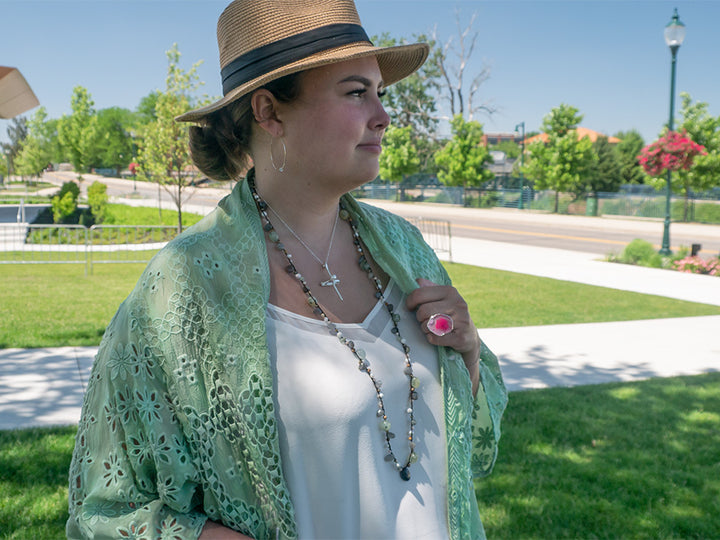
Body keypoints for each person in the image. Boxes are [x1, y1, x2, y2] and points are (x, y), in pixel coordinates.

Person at [66, 1, 507, 538]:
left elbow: (472, 450)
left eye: (379, 93)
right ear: (269, 112)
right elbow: (105, 510)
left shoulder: (405, 249)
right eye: (355, 92)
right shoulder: (182, 286)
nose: (384, 116)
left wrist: (466, 353)